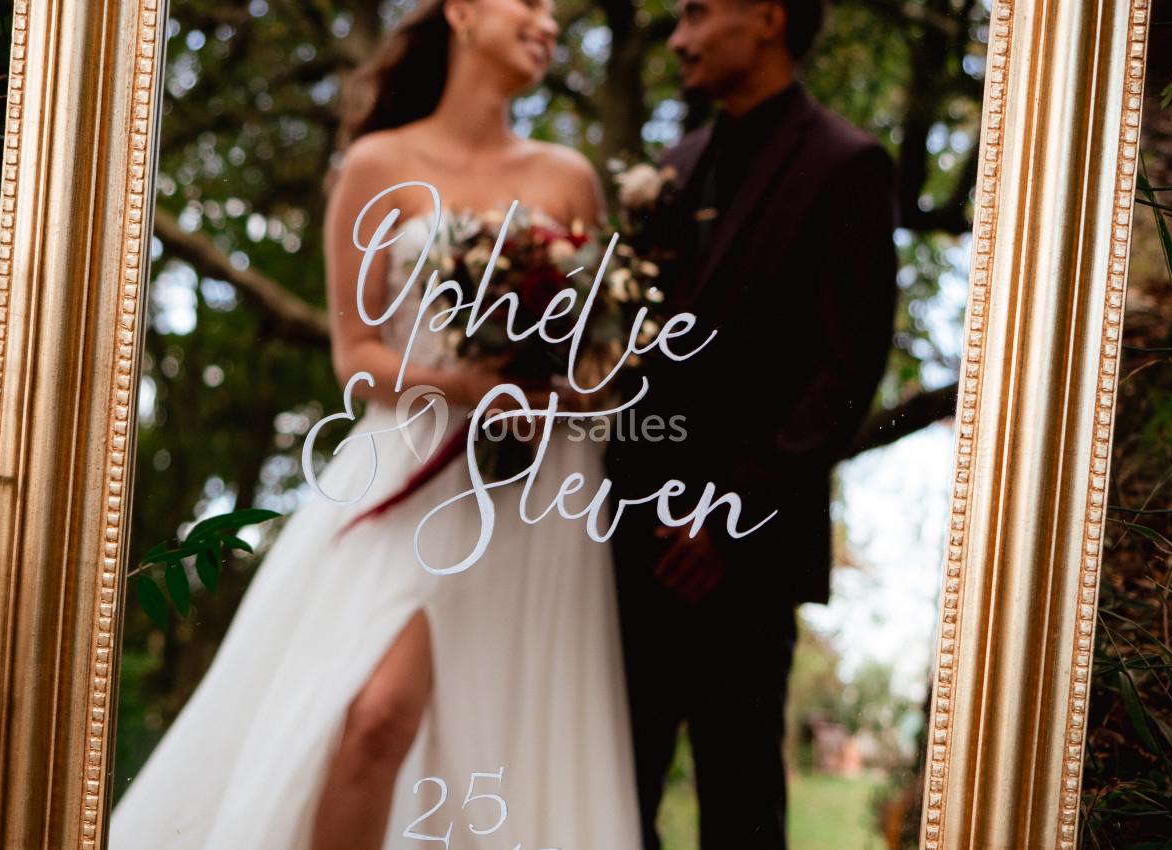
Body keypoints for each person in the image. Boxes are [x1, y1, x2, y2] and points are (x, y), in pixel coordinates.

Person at [108, 1, 642, 848]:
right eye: (530, 2)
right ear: (463, 11)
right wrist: (457, 381)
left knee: (498, 733)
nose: (549, 21)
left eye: (556, 11)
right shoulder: (376, 163)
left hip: (531, 482)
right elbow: (355, 354)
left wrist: (570, 387)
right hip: (409, 467)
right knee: (373, 716)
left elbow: (599, 349)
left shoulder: (567, 176)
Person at [605, 1, 900, 848]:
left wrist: (730, 513)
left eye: (697, 12)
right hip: (629, 539)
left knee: (739, 808)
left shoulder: (848, 165)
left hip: (743, 556)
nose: (679, 38)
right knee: (612, 800)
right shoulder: (674, 165)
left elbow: (848, 375)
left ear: (767, 16)